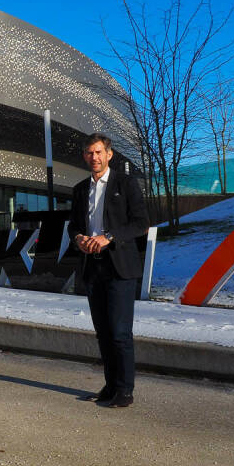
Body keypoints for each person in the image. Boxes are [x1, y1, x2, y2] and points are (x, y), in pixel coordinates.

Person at [68, 133, 149, 407]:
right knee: (102, 332)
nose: (95, 157)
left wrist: (109, 237)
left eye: (99, 152)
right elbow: (74, 225)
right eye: (90, 152)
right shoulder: (80, 189)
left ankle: (125, 390)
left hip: (120, 267)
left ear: (109, 154)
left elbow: (140, 224)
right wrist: (78, 238)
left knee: (119, 332)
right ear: (85, 156)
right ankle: (110, 386)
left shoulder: (125, 184)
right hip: (93, 267)